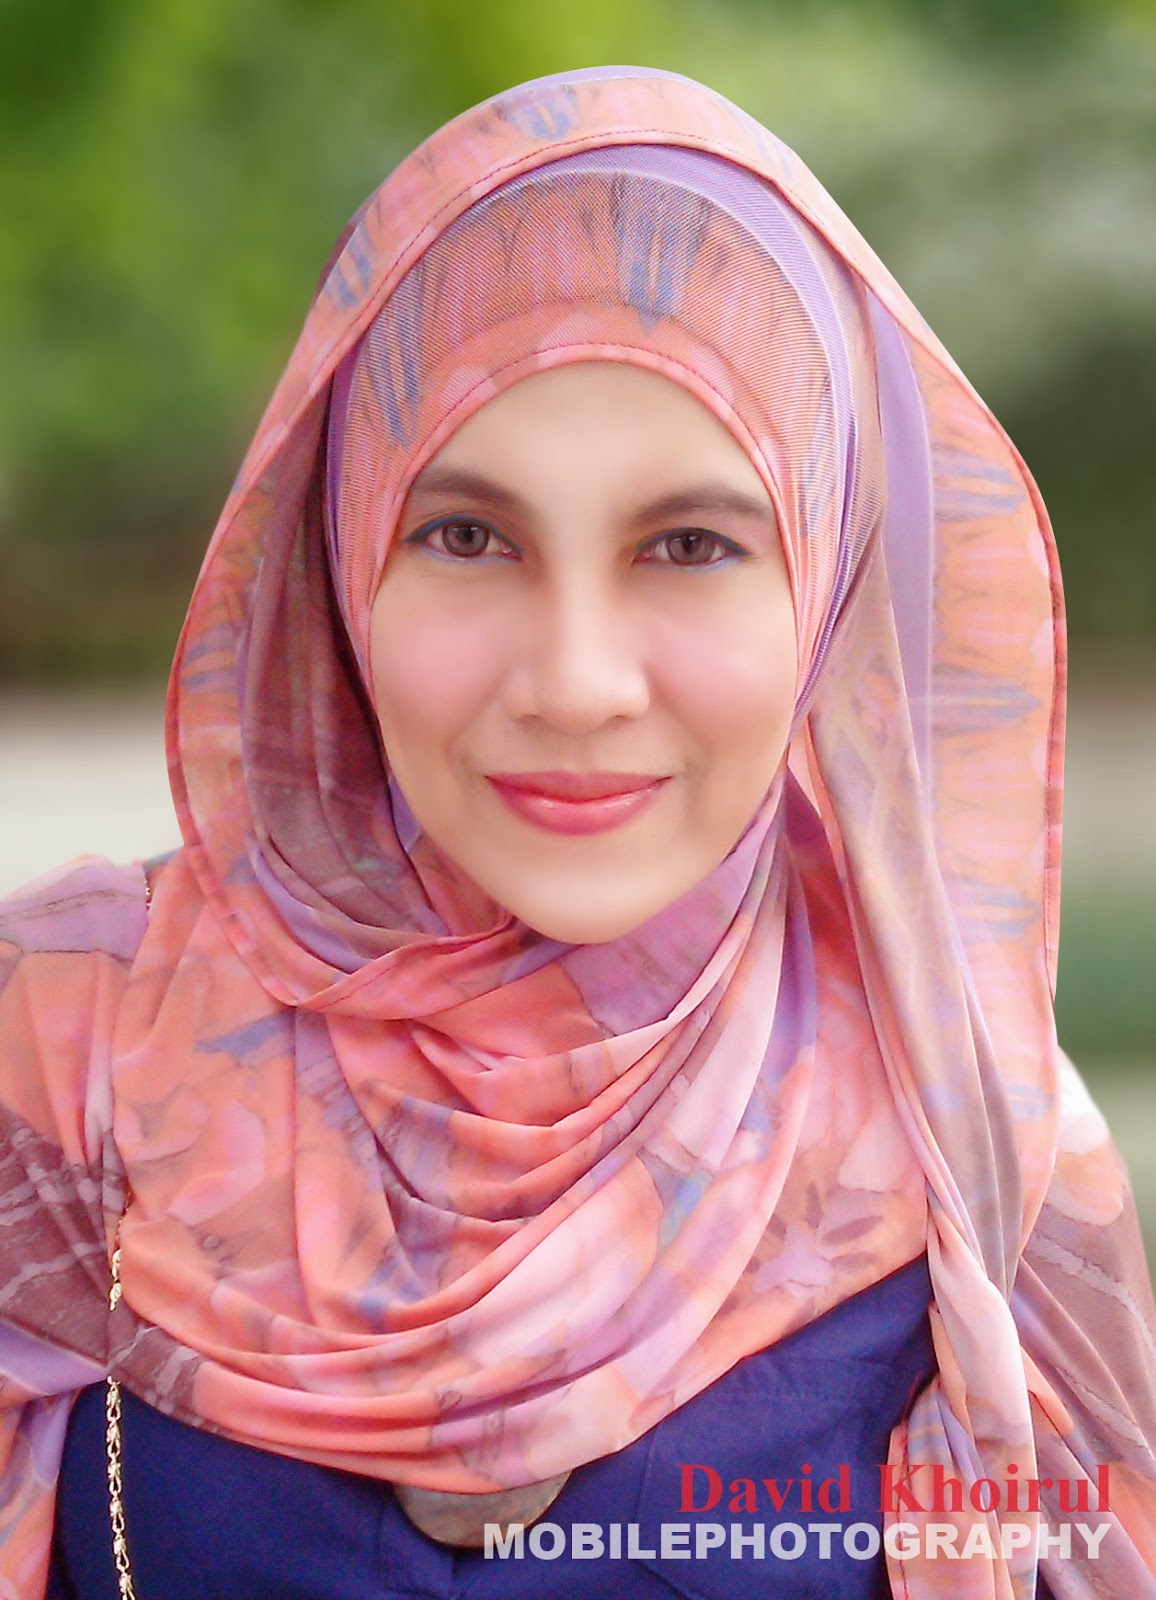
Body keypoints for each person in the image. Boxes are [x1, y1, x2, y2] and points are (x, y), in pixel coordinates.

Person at [1, 64, 1153, 1600]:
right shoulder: (63, 1044)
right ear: (344, 553)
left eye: (692, 545)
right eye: (468, 534)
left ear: (824, 583)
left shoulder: (973, 1136)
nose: (576, 682)